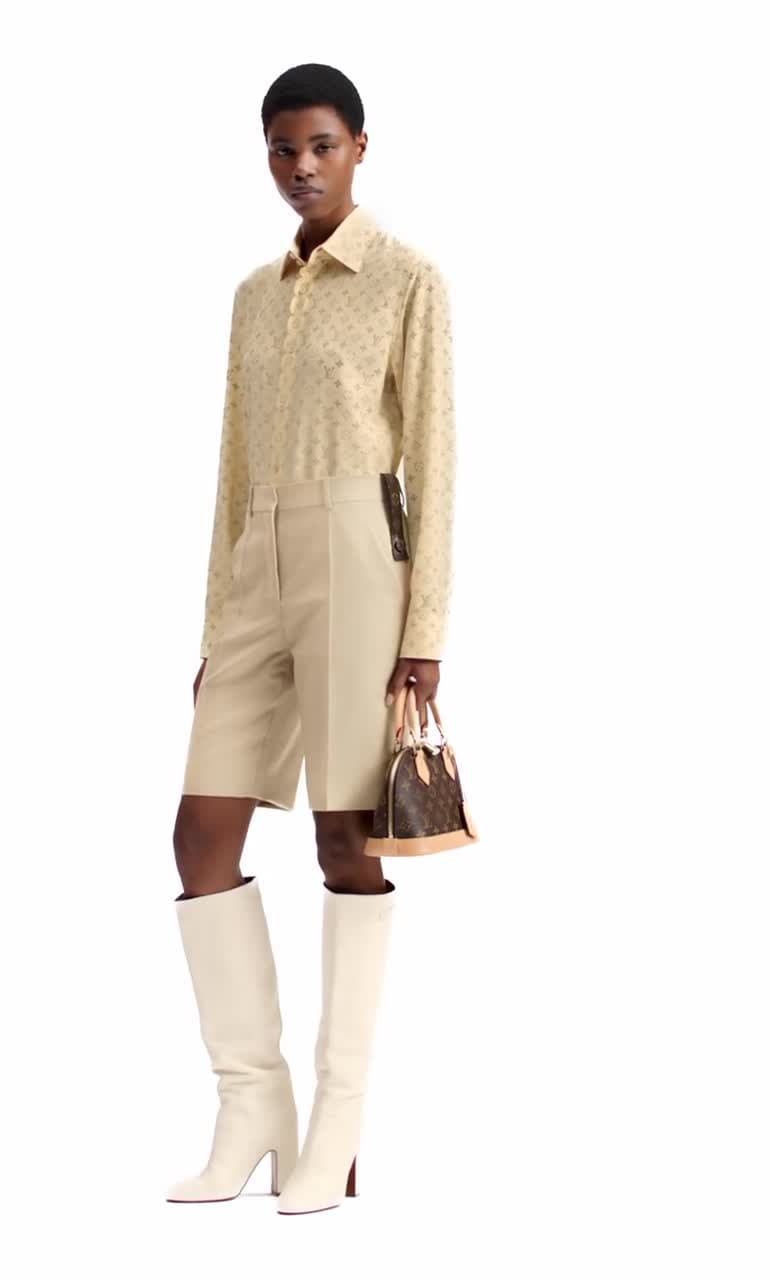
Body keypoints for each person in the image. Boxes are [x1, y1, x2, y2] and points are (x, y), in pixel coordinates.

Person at [167, 62, 458, 1215]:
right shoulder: (253, 294)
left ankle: (336, 1124)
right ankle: (252, 1104)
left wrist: (423, 632)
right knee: (199, 838)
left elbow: (434, 462)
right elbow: (232, 466)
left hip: (355, 556)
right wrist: (215, 622)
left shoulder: (404, 278)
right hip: (258, 560)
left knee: (345, 836)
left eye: (321, 145)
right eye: (282, 148)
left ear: (359, 148)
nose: (300, 166)